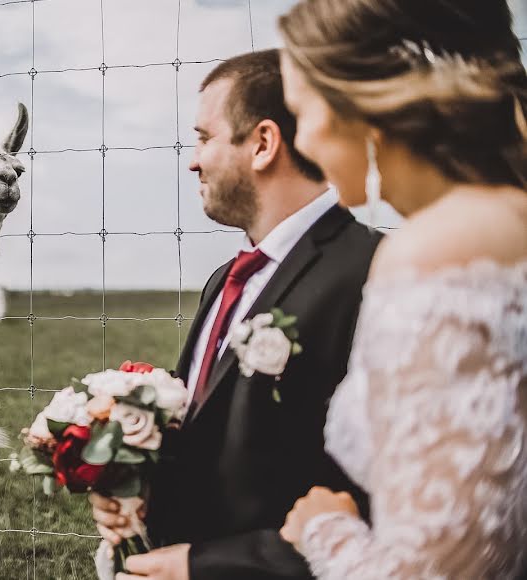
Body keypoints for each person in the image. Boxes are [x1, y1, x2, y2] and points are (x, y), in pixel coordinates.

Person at [91, 49, 382, 580]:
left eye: (204, 138)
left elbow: (378, 502)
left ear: (263, 144)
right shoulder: (225, 279)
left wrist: (205, 567)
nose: (192, 160)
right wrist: (135, 491)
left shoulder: (372, 273)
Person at [275, 0, 527, 578]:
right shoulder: (505, 220)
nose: (301, 139)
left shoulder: (438, 248)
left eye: (300, 111)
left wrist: (324, 528)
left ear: (362, 102)